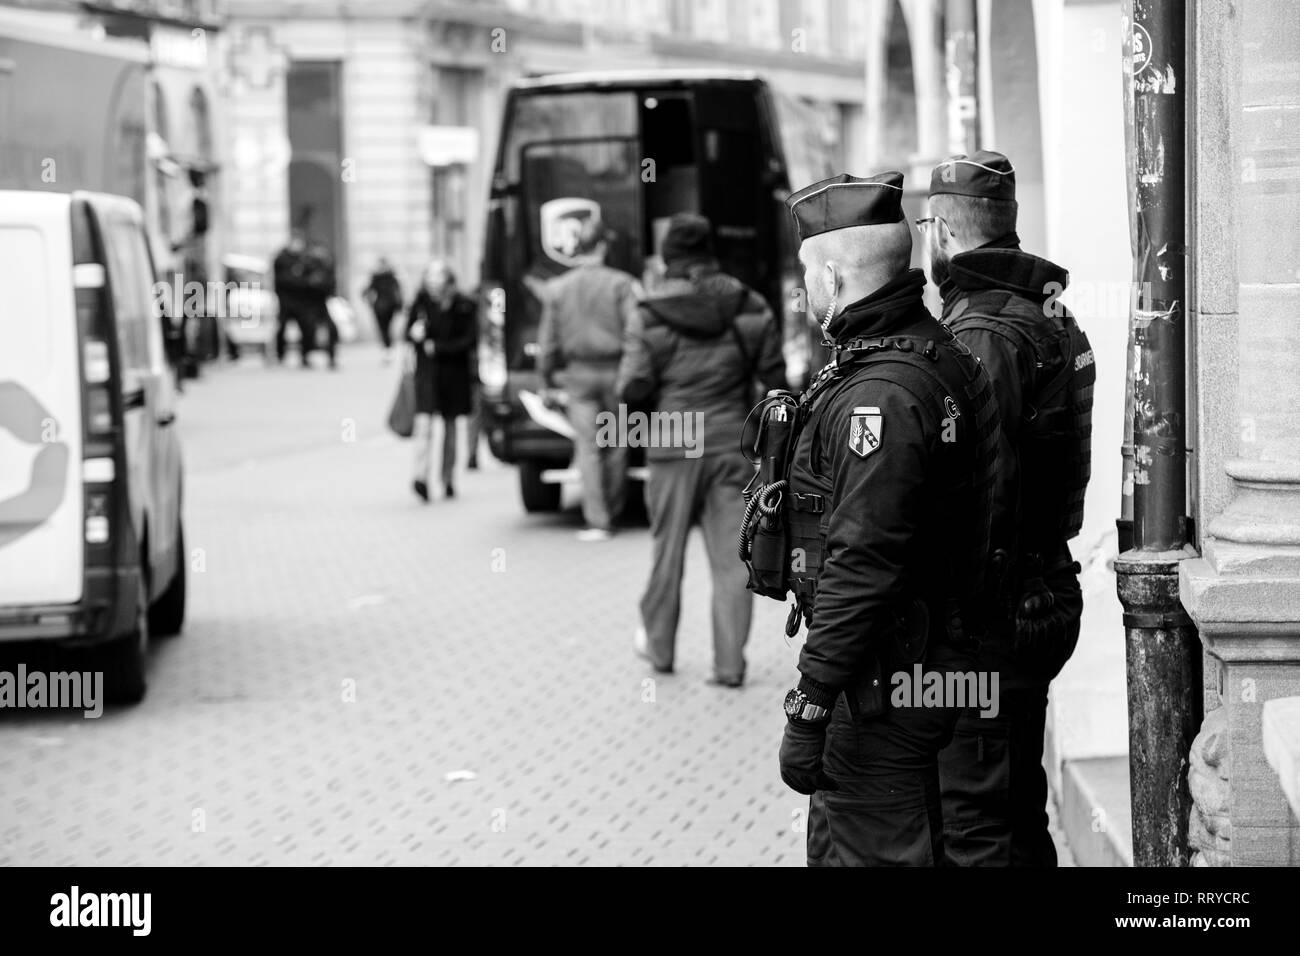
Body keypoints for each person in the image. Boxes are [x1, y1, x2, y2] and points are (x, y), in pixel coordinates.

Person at [775, 171, 1000, 866]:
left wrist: (810, 703)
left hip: (886, 682)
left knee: (872, 848)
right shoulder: (935, 354)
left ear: (836, 279)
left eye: (808, 272)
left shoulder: (880, 397)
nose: (802, 287)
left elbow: (863, 564)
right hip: (921, 665)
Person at [924, 150, 1096, 867]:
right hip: (1037, 589)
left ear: (940, 231)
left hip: (999, 614)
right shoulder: (1044, 310)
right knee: (1014, 808)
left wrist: (963, 618)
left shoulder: (983, 332)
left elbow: (988, 490)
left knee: (977, 822)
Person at [617, 213, 785, 687]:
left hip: (673, 442)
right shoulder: (747, 302)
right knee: (734, 559)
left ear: (668, 258)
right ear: (711, 254)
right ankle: (730, 666)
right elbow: (775, 378)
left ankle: (660, 649)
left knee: (665, 553)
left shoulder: (648, 312)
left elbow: (632, 388)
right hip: (733, 444)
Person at [536, 219, 639, 541]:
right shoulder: (622, 284)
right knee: (618, 443)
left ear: (577, 248)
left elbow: (548, 342)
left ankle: (598, 521)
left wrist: (545, 379)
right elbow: (636, 332)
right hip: (616, 372)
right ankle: (615, 509)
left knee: (589, 447)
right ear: (604, 247)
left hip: (578, 375)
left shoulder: (557, 289)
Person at [406, 260, 477, 502]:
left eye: (439, 283)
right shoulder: (420, 303)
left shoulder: (463, 305)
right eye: (430, 283)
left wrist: (438, 347)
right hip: (427, 374)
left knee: (449, 427)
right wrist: (413, 335)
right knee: (424, 425)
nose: (434, 289)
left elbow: (469, 340)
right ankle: (420, 477)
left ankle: (447, 478)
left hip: (453, 375)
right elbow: (407, 332)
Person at [273, 230, 312, 366]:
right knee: (281, 328)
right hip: (285, 300)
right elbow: (282, 279)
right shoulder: (282, 258)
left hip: (301, 301)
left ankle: (305, 355)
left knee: (306, 328)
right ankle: (279, 354)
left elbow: (308, 278)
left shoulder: (303, 258)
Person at [302, 238, 338, 369]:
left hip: (322, 302)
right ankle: (306, 356)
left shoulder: (326, 265)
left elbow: (331, 284)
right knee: (308, 330)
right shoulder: (306, 265)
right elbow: (300, 283)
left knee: (332, 329)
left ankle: (331, 357)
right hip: (308, 303)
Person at [364, 257, 403, 361]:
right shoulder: (377, 277)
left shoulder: (390, 277)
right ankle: (387, 349)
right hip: (380, 306)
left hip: (388, 306)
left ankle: (388, 349)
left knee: (386, 328)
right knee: (383, 328)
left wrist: (399, 305)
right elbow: (367, 290)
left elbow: (397, 291)